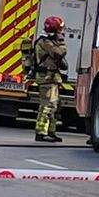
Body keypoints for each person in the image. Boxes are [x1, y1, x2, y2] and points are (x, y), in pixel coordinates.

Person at [23, 14, 69, 144]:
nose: (62, 32)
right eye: (60, 29)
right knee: (47, 105)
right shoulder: (45, 42)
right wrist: (61, 42)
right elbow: (59, 52)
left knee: (54, 106)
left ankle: (51, 132)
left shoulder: (48, 41)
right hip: (46, 78)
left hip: (52, 78)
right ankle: (41, 132)